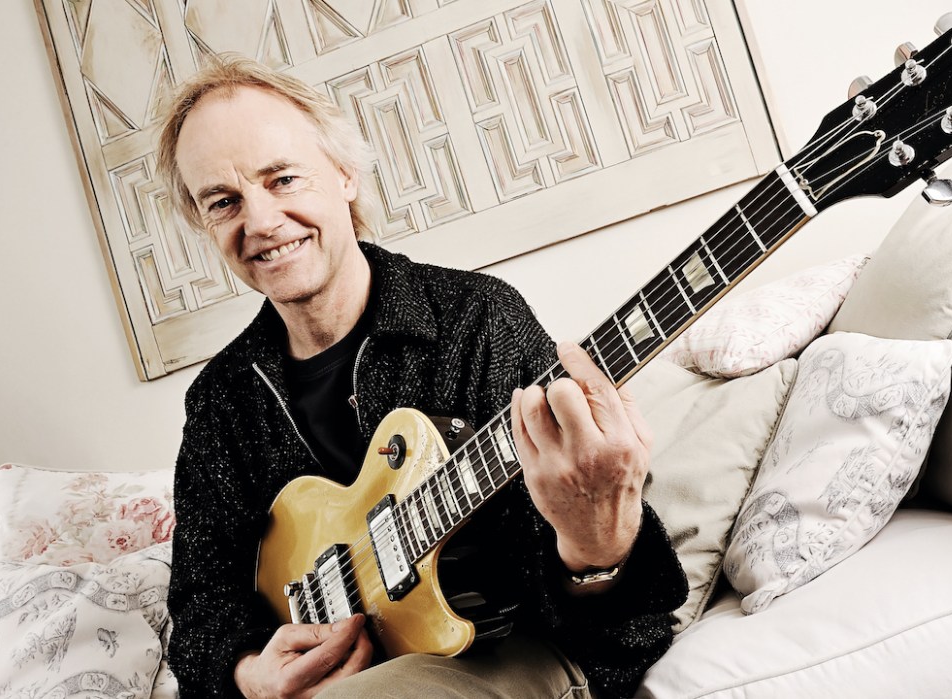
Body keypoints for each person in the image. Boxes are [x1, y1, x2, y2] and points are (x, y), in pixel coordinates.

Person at [156, 54, 688, 699]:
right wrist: (249, 674)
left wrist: (594, 540)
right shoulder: (222, 400)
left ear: (345, 175)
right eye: (224, 201)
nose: (261, 221)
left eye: (284, 179)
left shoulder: (480, 318)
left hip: (500, 649)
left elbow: (618, 625)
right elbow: (199, 597)